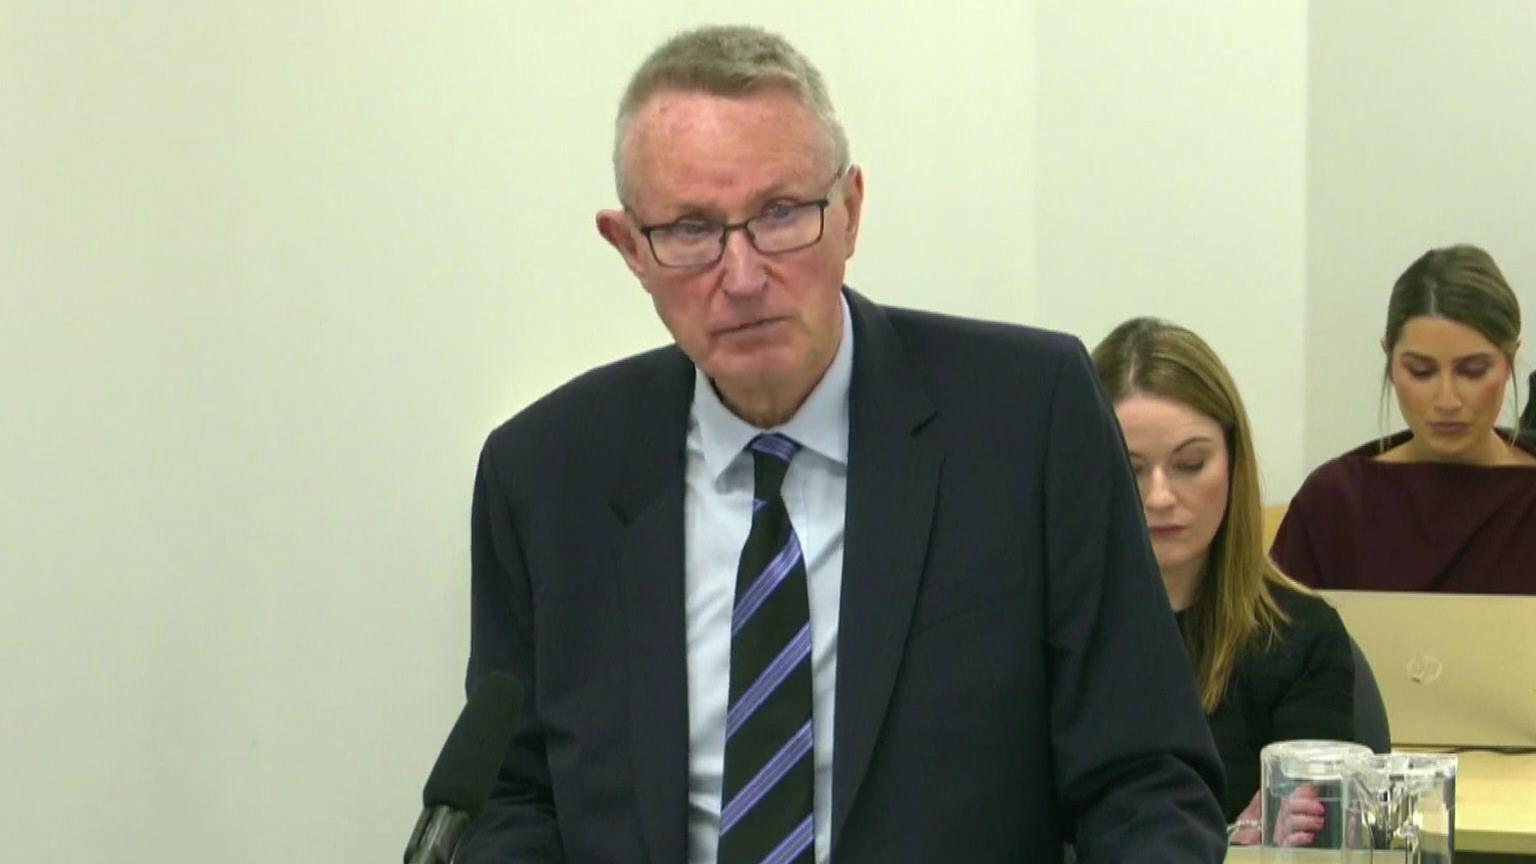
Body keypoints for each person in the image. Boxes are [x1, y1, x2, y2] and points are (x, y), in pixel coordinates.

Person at [457, 24, 1225, 864]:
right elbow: (512, 797)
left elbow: (1146, 780)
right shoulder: (545, 474)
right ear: (630, 247)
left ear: (851, 210)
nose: (742, 275)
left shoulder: (1027, 418)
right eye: (688, 230)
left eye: (782, 215)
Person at [1092, 318, 1354, 844]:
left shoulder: (1303, 636)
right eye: (1129, 467)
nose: (1160, 497)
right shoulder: (1036, 631)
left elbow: (1309, 835)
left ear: (1234, 464)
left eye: (1191, 463)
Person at [1272, 244, 1536, 593]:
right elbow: (1279, 641)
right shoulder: (1334, 503)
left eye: (1473, 371)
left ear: (1510, 361)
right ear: (1389, 360)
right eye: (1421, 371)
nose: (1447, 401)